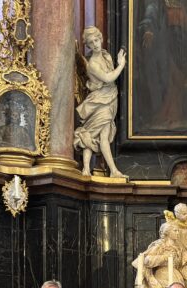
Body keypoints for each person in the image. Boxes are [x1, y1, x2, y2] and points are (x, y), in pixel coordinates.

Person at [75, 26, 128, 178]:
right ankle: (112, 171)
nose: (95, 44)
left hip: (109, 98)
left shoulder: (106, 56)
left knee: (92, 133)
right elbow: (108, 78)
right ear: (88, 45)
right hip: (99, 101)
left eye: (97, 40)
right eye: (91, 43)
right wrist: (121, 64)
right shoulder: (92, 64)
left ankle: (87, 169)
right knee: (97, 134)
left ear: (101, 39)